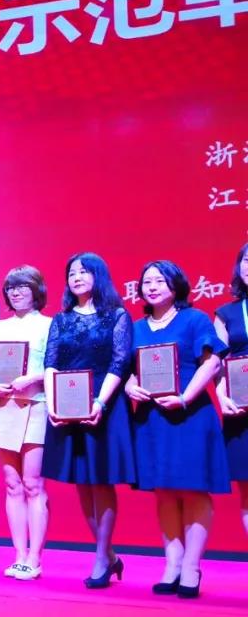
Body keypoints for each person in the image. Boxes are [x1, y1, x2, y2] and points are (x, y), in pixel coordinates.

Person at [124, 261, 228, 599]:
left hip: (189, 416)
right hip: (152, 419)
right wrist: (130, 385)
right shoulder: (136, 327)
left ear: (175, 285)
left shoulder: (194, 319)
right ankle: (172, 564)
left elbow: (212, 362)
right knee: (164, 491)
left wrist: (184, 397)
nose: (152, 287)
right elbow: (124, 369)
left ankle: (192, 567)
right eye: (147, 282)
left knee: (194, 491)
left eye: (159, 280)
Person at [41, 253, 135, 589]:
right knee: (82, 481)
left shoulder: (117, 316)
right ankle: (108, 554)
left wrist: (100, 401)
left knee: (101, 481)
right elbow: (50, 363)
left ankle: (101, 558)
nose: (77, 277)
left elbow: (120, 363)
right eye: (71, 273)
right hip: (68, 406)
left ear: (99, 275)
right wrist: (52, 404)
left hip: (103, 405)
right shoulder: (62, 319)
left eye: (83, 272)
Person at [0, 266, 52, 580]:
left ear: (36, 290)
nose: (16, 292)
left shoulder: (50, 325)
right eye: (11, 287)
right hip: (3, 407)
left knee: (32, 484)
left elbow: (57, 366)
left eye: (23, 286)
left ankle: (35, 558)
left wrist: (33, 378)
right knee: (12, 485)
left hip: (37, 405)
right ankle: (19, 555)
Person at [214, 242, 248, 538]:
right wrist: (222, 396)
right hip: (241, 410)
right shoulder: (226, 313)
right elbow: (218, 363)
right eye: (246, 260)